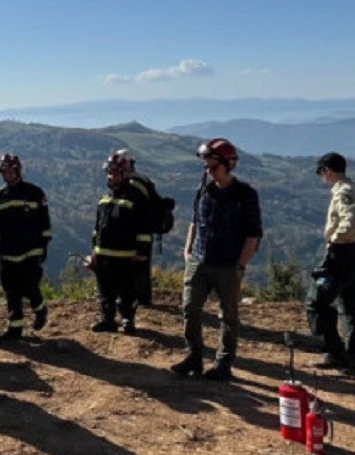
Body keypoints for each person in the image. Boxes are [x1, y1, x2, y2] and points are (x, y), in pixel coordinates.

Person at [171, 138, 262, 382]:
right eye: (206, 168)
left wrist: (240, 265)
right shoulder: (204, 191)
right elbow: (195, 222)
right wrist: (188, 251)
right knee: (189, 309)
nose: (209, 172)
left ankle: (223, 364)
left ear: (228, 165)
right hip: (199, 261)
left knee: (229, 316)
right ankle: (194, 357)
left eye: (213, 167)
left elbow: (253, 235)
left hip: (227, 265)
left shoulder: (245, 195)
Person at [307, 152, 355, 377]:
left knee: (316, 303)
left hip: (343, 254)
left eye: (321, 172)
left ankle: (335, 352)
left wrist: (335, 240)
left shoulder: (344, 191)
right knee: (352, 310)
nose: (322, 177)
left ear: (327, 170)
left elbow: (348, 223)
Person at [0, 153, 51, 341]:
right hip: (7, 254)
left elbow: (44, 223)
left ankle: (40, 310)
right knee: (11, 292)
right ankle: (15, 329)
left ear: (17, 170)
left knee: (31, 288)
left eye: (9, 170)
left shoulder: (34, 193)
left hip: (30, 252)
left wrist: (43, 247)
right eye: (3, 171)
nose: (6, 174)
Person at [86, 153, 148, 334]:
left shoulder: (136, 198)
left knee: (127, 291)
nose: (112, 177)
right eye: (110, 173)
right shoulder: (104, 198)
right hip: (103, 255)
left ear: (125, 174)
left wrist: (142, 251)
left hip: (126, 256)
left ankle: (128, 320)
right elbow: (97, 228)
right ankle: (108, 320)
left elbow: (143, 229)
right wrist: (93, 253)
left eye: (116, 173)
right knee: (105, 292)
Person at [110, 148, 159, 306]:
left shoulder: (133, 185)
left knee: (138, 267)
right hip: (141, 233)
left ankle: (142, 301)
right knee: (140, 267)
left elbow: (140, 215)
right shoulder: (141, 180)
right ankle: (140, 299)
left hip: (137, 234)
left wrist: (141, 247)